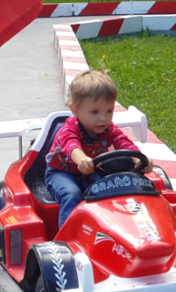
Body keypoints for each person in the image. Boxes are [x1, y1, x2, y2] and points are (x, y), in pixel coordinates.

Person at [46, 70, 154, 229]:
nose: (103, 118)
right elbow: (71, 145)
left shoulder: (109, 129)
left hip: (91, 172)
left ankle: (117, 229)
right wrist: (82, 160)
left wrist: (140, 159)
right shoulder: (69, 129)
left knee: (118, 187)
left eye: (109, 111)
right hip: (61, 173)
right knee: (71, 193)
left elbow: (123, 142)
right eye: (95, 112)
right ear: (75, 109)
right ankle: (68, 237)